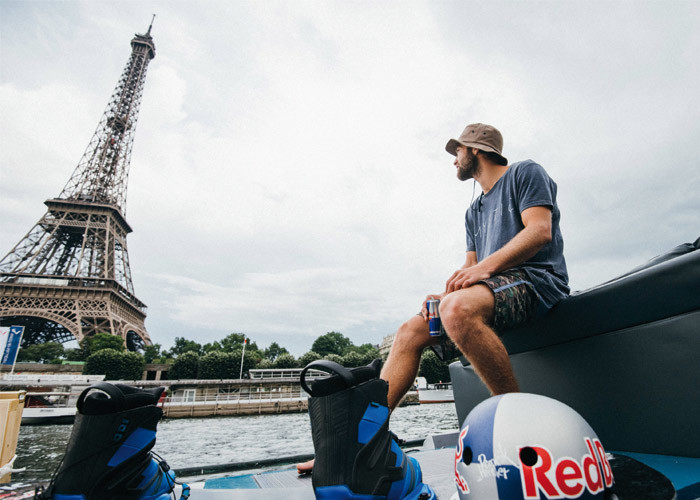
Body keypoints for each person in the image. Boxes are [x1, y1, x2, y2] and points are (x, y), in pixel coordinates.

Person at [298, 122, 569, 474]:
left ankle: (518, 428)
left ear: (474, 149)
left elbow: (539, 230)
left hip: (537, 280)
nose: (453, 160)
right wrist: (444, 294)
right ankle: (356, 445)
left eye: (456, 151)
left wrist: (476, 277)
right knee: (410, 330)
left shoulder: (525, 173)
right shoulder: (473, 211)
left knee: (456, 309)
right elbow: (471, 267)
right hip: (491, 290)